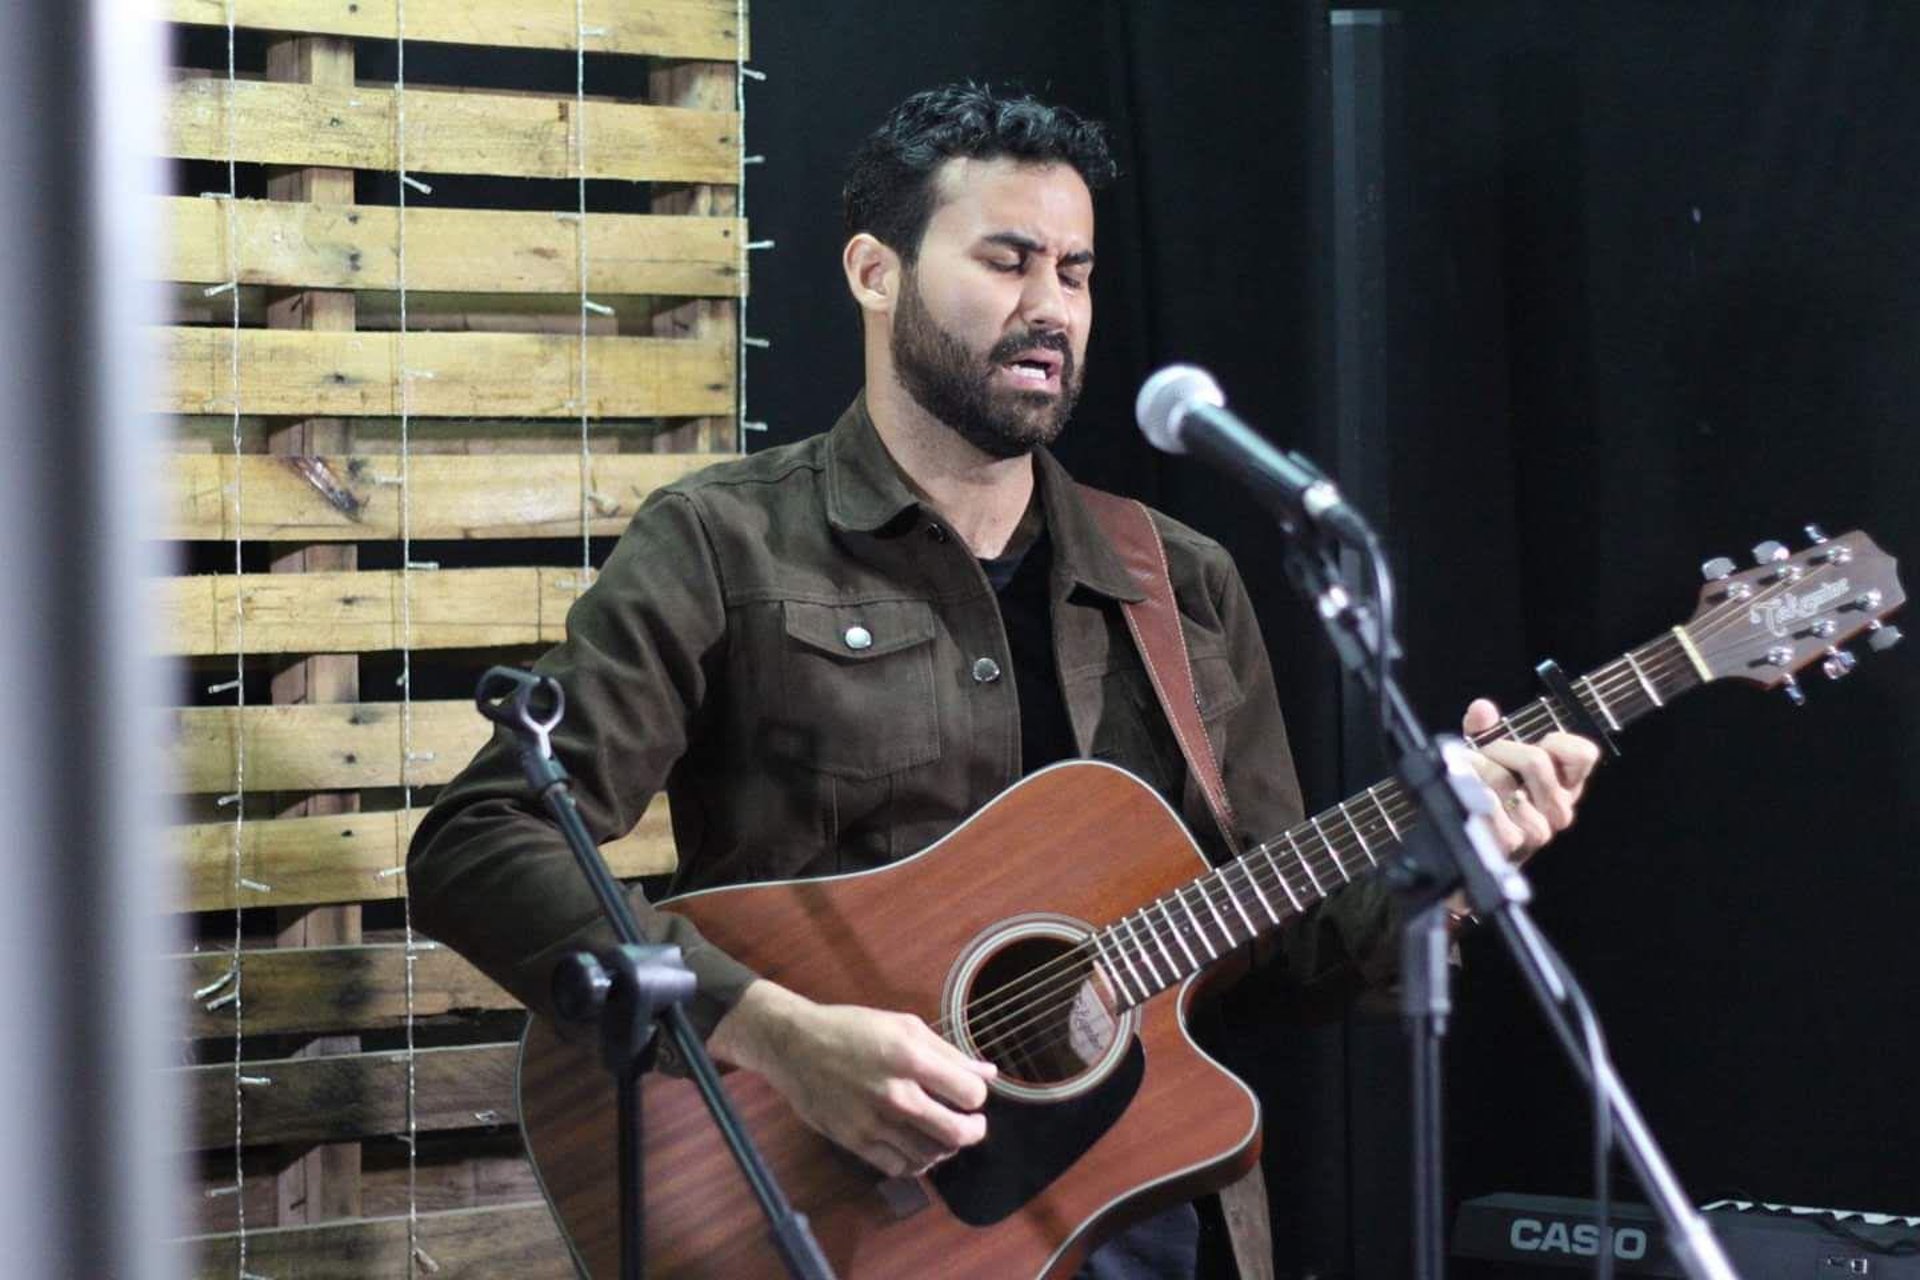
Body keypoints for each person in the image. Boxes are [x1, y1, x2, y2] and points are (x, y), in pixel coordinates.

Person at [408, 83, 1599, 1279]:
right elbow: (480, 842)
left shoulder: (1179, 582)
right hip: (825, 1216)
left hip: (1144, 1215)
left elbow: (1281, 947)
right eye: (1008, 260)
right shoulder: (726, 544)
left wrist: (1447, 864)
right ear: (876, 272)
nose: (1052, 309)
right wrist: (775, 1032)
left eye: (1076, 272)